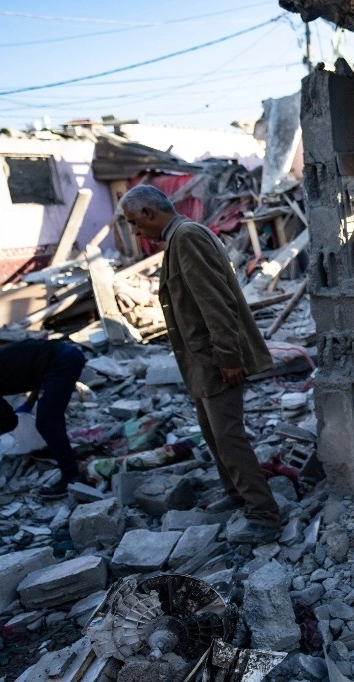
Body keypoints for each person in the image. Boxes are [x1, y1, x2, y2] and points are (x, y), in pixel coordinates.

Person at [118, 185, 281, 545]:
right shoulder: (178, 238)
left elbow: (215, 303)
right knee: (213, 433)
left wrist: (228, 357)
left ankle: (264, 514)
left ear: (148, 213)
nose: (134, 231)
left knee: (229, 437)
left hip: (215, 360)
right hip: (201, 362)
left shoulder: (187, 237)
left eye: (133, 222)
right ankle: (237, 494)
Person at [0, 339, 87, 497]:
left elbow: (9, 421)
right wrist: (28, 403)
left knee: (47, 421)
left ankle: (71, 478)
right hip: (66, 354)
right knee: (51, 415)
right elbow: (35, 369)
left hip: (61, 362)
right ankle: (56, 451)